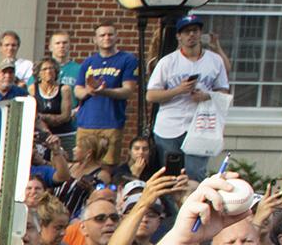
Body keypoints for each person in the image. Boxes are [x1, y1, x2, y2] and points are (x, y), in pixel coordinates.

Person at [144, 13, 230, 177]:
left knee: (195, 174)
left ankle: (193, 203)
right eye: (186, 31)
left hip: (201, 125)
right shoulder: (167, 62)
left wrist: (206, 96)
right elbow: (151, 95)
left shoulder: (215, 60)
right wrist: (179, 90)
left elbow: (224, 91)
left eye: (195, 30)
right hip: (169, 127)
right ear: (179, 36)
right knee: (170, 175)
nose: (191, 35)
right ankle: (173, 204)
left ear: (200, 34)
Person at [72, 22, 140, 170]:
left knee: (107, 167)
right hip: (86, 123)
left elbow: (128, 90)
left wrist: (103, 91)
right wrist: (89, 91)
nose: (106, 38)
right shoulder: (88, 62)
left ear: (116, 37)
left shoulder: (127, 60)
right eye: (102, 35)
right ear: (95, 40)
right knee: (81, 165)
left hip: (111, 123)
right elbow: (77, 90)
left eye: (110, 34)